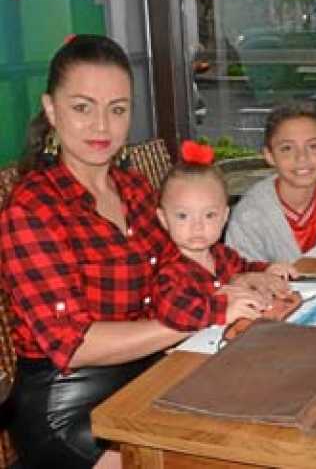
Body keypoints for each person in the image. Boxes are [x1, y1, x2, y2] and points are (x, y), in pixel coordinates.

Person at [0, 35, 287, 469]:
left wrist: (247, 276)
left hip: (150, 371)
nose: (102, 126)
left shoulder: (133, 188)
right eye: (82, 108)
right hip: (70, 408)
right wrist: (211, 311)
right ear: (52, 109)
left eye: (117, 109)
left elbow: (179, 263)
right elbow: (73, 345)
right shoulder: (32, 208)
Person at [153, 140, 296, 332]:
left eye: (209, 215)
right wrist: (223, 311)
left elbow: (245, 269)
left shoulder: (223, 255)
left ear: (224, 217)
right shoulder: (169, 272)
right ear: (163, 219)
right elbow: (173, 312)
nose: (197, 226)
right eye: (183, 216)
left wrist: (267, 269)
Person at [225, 103, 316, 262]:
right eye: (287, 148)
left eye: (313, 146)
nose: (302, 157)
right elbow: (242, 272)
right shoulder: (249, 215)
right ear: (269, 155)